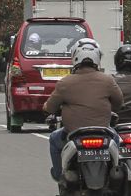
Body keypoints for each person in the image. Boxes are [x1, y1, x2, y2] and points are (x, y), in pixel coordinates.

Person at [44, 42, 124, 180]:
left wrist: (50, 109)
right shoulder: (108, 80)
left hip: (73, 134)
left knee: (53, 139)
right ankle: (115, 170)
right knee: (116, 138)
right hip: (104, 132)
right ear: (97, 58)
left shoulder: (65, 83)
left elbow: (49, 108)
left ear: (75, 57)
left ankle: (59, 175)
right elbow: (119, 103)